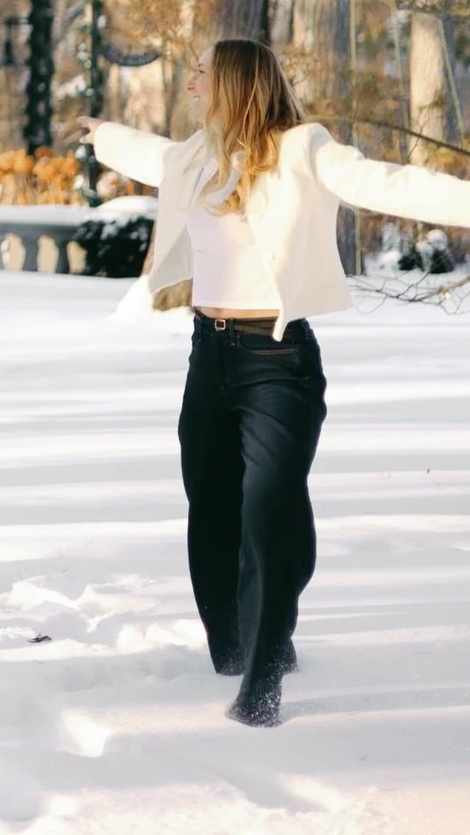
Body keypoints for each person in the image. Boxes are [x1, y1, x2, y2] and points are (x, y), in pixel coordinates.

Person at [82, 38, 470, 728]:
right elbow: (148, 154)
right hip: (209, 357)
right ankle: (235, 646)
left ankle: (261, 680)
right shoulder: (198, 154)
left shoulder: (302, 150)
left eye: (202, 72)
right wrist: (100, 134)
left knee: (267, 513)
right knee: (212, 507)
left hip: (278, 361)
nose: (192, 81)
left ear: (235, 82)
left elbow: (388, 181)